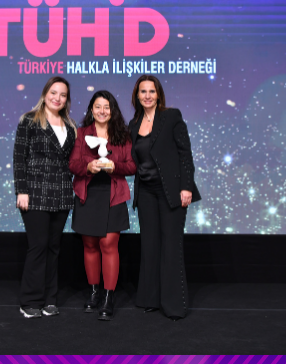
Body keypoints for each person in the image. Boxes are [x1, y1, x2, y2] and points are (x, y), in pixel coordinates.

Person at [128, 74, 201, 321]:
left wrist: (186, 187)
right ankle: (150, 299)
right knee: (150, 246)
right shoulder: (133, 124)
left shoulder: (171, 117)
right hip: (146, 192)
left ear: (158, 94)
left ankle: (174, 306)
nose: (147, 95)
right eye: (143, 91)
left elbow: (185, 154)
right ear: (137, 95)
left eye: (152, 91)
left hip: (171, 191)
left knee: (171, 246)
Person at [13, 76, 77, 319]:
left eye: (62, 94)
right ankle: (30, 301)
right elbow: (19, 157)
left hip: (61, 193)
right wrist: (21, 190)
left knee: (53, 248)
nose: (57, 98)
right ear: (45, 94)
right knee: (38, 246)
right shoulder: (29, 120)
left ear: (66, 99)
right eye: (53, 92)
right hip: (35, 192)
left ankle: (50, 300)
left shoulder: (70, 125)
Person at [69, 90, 136, 321]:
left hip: (113, 194)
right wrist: (89, 166)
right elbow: (73, 164)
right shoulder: (81, 134)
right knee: (90, 245)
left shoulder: (122, 135)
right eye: (98, 106)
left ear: (112, 110)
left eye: (106, 107)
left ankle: (109, 297)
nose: (102, 111)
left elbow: (131, 166)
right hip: (88, 193)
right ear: (91, 109)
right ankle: (94, 292)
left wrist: (114, 166)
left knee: (109, 244)